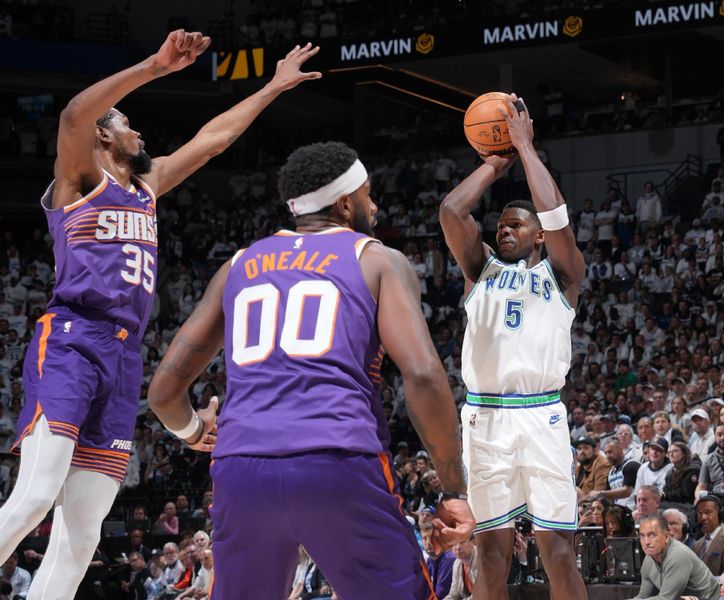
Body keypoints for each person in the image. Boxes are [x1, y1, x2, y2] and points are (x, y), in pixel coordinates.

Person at [0, 34, 323, 599]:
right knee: (34, 494)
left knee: (82, 534)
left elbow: (214, 140)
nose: (139, 133)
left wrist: (272, 85)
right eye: (128, 124)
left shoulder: (146, 188)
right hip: (74, 338)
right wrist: (154, 66)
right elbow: (76, 112)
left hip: (125, 357)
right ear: (105, 134)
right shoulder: (80, 178)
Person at [148, 141, 475, 599]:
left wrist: (192, 429)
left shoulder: (238, 264)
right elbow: (421, 375)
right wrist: (454, 488)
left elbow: (162, 392)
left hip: (242, 470)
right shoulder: (376, 259)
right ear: (345, 204)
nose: (374, 205)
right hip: (337, 457)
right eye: (367, 195)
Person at [439, 93, 587, 600]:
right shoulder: (480, 270)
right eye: (500, 225)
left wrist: (524, 148)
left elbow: (558, 217)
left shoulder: (562, 274)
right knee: (491, 554)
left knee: (558, 551)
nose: (503, 230)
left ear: (538, 237)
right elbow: (452, 209)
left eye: (515, 224)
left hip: (542, 415)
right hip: (484, 419)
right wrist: (494, 165)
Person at [634, 514, 720, 600]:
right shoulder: (648, 559)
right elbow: (643, 596)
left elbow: (666, 599)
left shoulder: (678, 555)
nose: (646, 542)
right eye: (642, 536)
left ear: (666, 537)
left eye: (652, 535)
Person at [693, 495, 724, 576]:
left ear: (720, 514)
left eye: (708, 512)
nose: (703, 517)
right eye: (700, 513)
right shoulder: (698, 544)